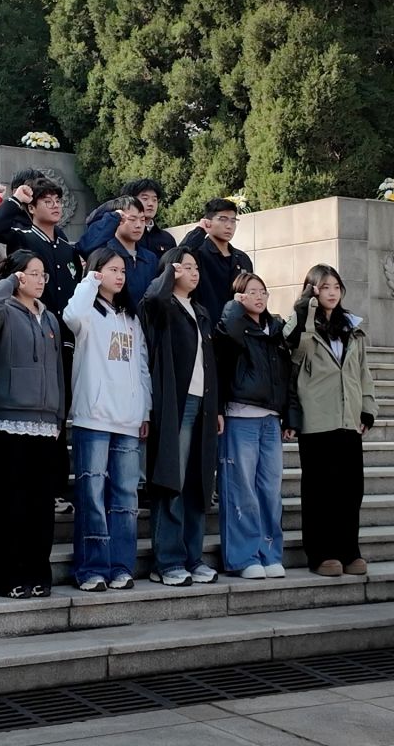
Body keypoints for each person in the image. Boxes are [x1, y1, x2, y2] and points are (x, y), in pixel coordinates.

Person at [0, 251, 67, 598]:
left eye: (44, 274)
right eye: (33, 273)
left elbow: (58, 369)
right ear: (18, 276)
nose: (41, 280)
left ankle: (38, 574)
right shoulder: (4, 310)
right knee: (10, 505)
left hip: (46, 423)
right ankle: (8, 577)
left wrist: (59, 415)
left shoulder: (50, 318)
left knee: (40, 506)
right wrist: (10, 281)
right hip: (10, 422)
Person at [64, 250, 150, 591]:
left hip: (127, 418)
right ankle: (91, 569)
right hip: (94, 418)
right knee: (92, 495)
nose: (119, 276)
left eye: (123, 270)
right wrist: (90, 279)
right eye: (112, 269)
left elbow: (142, 367)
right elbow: (71, 315)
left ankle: (121, 566)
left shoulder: (131, 317)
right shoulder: (87, 312)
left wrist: (144, 409)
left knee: (126, 499)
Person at [287, 264, 376, 578]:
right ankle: (321, 554)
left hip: (348, 418)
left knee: (351, 490)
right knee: (319, 491)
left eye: (336, 286)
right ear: (312, 290)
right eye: (324, 287)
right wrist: (307, 309)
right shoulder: (300, 322)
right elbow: (295, 351)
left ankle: (349, 551)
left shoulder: (352, 327)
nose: (332, 293)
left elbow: (363, 371)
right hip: (316, 419)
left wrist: (368, 408)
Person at [140, 248, 221, 586]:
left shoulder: (200, 311)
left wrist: (216, 408)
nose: (193, 272)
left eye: (195, 267)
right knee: (172, 481)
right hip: (177, 405)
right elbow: (151, 299)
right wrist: (168, 276)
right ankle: (168, 561)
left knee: (197, 484)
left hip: (203, 405)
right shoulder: (163, 306)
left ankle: (193, 557)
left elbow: (209, 364)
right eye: (185, 267)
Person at [216, 273, 296, 579]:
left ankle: (270, 553)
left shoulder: (275, 329)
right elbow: (225, 344)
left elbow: (287, 375)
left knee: (270, 490)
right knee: (241, 490)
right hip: (240, 416)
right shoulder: (233, 325)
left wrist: (289, 416)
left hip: (270, 419)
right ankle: (243, 557)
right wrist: (233, 307)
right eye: (251, 292)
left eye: (263, 291)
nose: (259, 297)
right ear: (239, 296)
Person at [0, 176, 82, 314]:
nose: (55, 205)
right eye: (48, 202)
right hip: (31, 320)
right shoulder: (22, 238)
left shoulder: (67, 248)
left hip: (66, 324)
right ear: (31, 208)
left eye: (58, 201)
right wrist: (16, 199)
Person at [177, 198, 253, 324]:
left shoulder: (242, 258)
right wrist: (200, 231)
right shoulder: (198, 254)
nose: (229, 226)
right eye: (222, 219)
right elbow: (177, 255)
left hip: (238, 328)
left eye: (233, 221)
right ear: (208, 221)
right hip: (206, 326)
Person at [77, 195, 161, 310]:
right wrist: (112, 218)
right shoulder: (106, 253)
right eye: (132, 219)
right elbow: (84, 247)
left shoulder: (150, 258)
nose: (138, 225)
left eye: (142, 220)